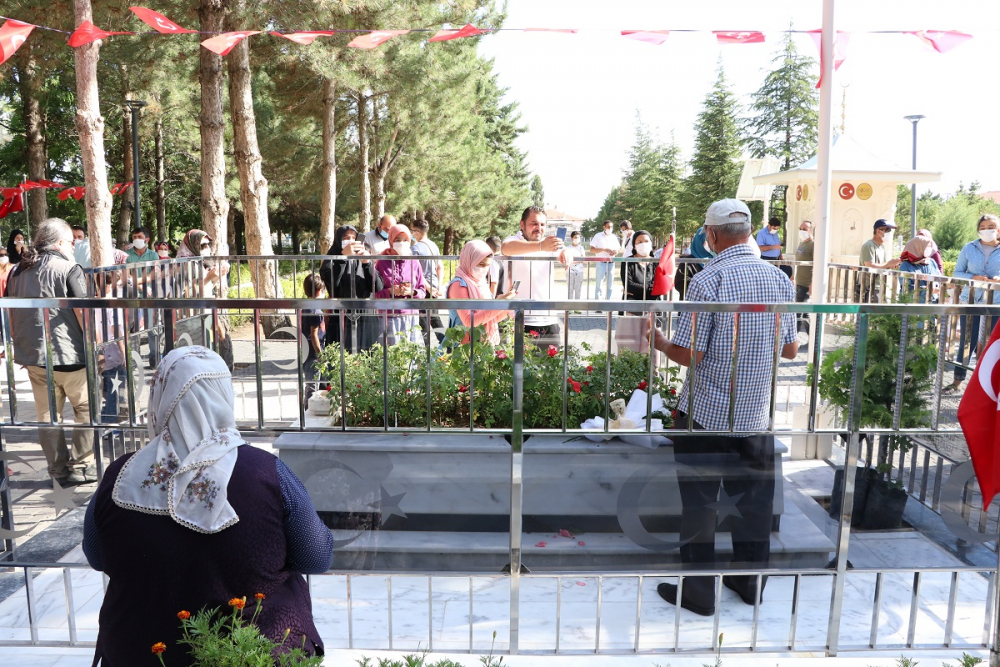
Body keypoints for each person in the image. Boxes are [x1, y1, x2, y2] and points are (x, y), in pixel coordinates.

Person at [83, 346, 334, 666]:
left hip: (141, 652)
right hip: (249, 654)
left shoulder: (122, 479)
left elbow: (97, 555)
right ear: (223, 397)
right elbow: (316, 556)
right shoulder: (267, 473)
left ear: (160, 399)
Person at [649, 199, 798, 617]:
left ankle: (699, 592)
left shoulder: (707, 279)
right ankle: (750, 584)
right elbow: (790, 349)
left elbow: (692, 354)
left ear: (711, 235)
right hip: (756, 414)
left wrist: (660, 343)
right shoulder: (779, 279)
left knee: (700, 504)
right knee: (754, 504)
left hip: (707, 415)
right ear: (750, 231)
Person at [6, 218, 95, 486]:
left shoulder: (18, 271)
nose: (73, 246)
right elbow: (83, 313)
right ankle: (81, 466)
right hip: (70, 356)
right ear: (59, 243)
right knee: (86, 409)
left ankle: (57, 470)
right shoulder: (69, 268)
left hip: (34, 357)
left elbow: (12, 312)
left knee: (47, 416)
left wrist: (19, 346)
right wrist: (95, 349)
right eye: (71, 241)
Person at [501, 206, 572, 347]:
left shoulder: (549, 244)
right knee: (517, 368)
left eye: (542, 224)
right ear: (522, 224)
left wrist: (567, 252)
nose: (538, 228)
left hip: (548, 320)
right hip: (519, 319)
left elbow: (564, 250)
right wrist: (540, 247)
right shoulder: (514, 240)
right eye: (534, 223)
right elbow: (506, 247)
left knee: (552, 367)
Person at [949, 214, 1000, 391]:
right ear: (978, 230)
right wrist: (973, 277)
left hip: (995, 304)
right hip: (971, 301)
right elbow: (957, 273)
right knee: (966, 341)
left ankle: (986, 385)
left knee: (992, 344)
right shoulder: (969, 248)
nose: (987, 230)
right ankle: (958, 380)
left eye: (991, 226)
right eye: (983, 227)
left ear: (998, 229)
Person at [320, 225, 383, 353]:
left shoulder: (363, 256)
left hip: (366, 316)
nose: (350, 240)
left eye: (353, 237)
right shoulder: (331, 258)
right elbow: (333, 286)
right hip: (341, 316)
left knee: (367, 356)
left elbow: (378, 286)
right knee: (341, 357)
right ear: (338, 240)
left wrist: (367, 263)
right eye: (346, 237)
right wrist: (342, 258)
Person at [176, 230, 233, 369]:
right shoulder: (184, 263)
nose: (206, 248)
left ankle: (222, 365)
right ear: (193, 245)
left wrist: (219, 275)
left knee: (220, 334)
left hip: (207, 303)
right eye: (202, 246)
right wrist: (208, 278)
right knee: (199, 344)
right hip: (191, 311)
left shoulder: (203, 261)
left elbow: (208, 285)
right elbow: (189, 291)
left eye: (208, 244)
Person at [446, 240, 516, 345]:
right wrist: (497, 304)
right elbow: (469, 321)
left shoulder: (481, 283)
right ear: (469, 260)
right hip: (463, 347)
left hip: (483, 345)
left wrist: (505, 305)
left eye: (487, 265)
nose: (483, 269)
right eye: (480, 264)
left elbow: (492, 318)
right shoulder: (459, 285)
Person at [374, 224, 427, 345]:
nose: (401, 243)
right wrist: (390, 292)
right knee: (390, 357)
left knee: (411, 357)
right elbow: (374, 293)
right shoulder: (382, 262)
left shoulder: (414, 262)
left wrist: (412, 292)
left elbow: (422, 291)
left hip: (411, 317)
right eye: (397, 240)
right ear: (391, 240)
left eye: (405, 240)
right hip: (388, 317)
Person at [410, 218, 445, 345]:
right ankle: (446, 345)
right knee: (435, 318)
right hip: (434, 286)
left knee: (423, 321)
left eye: (412, 231)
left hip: (423, 288)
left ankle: (426, 352)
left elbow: (416, 271)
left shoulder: (416, 249)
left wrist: (428, 287)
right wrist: (438, 287)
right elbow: (440, 267)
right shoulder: (433, 245)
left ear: (417, 232)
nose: (411, 234)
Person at [857, 219, 901, 303]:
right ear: (878, 231)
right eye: (887, 230)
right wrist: (888, 264)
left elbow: (882, 265)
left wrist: (891, 265)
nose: (890, 233)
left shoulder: (881, 247)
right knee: (868, 315)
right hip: (869, 288)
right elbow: (869, 265)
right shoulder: (869, 246)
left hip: (879, 287)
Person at [301, 274, 326, 402]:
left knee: (313, 384)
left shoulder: (306, 306)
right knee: (312, 387)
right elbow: (314, 334)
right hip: (313, 354)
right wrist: (320, 355)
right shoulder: (315, 310)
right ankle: (308, 414)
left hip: (307, 352)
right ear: (319, 291)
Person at [898, 236, 942, 302]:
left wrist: (936, 286)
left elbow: (939, 279)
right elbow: (906, 287)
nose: (929, 248)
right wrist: (926, 289)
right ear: (917, 247)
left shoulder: (931, 262)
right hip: (913, 305)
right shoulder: (905, 265)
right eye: (927, 246)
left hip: (932, 303)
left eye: (930, 246)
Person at [675, 226, 714, 301]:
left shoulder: (715, 259)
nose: (709, 243)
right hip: (690, 306)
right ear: (699, 241)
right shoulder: (688, 261)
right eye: (706, 240)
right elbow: (679, 283)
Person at [620, 230, 657, 301]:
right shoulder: (627, 262)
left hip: (653, 302)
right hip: (632, 302)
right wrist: (651, 288)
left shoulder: (656, 262)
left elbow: (660, 287)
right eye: (640, 242)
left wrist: (637, 289)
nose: (643, 244)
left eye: (646, 241)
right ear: (634, 246)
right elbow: (629, 285)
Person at [590, 220, 621, 300]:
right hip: (601, 262)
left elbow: (618, 249)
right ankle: (598, 304)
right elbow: (592, 250)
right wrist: (603, 249)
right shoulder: (598, 236)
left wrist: (615, 252)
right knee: (599, 284)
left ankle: (608, 303)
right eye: (608, 227)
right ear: (604, 227)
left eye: (611, 227)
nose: (610, 228)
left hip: (611, 263)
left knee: (610, 285)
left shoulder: (614, 237)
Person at [794, 221, 814, 333]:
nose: (802, 231)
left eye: (805, 229)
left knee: (801, 312)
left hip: (807, 283)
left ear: (810, 230)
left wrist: (812, 284)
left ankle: (811, 340)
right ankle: (811, 339)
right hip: (799, 282)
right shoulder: (802, 243)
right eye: (800, 228)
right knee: (801, 312)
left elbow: (817, 264)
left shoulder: (813, 244)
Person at [566, 230, 586, 300]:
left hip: (579, 271)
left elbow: (582, 259)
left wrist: (573, 260)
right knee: (570, 289)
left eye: (578, 237)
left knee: (578, 289)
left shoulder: (581, 248)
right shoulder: (568, 248)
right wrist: (573, 261)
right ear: (572, 238)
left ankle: (577, 307)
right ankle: (570, 307)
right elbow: (568, 259)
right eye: (575, 237)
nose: (577, 239)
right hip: (570, 272)